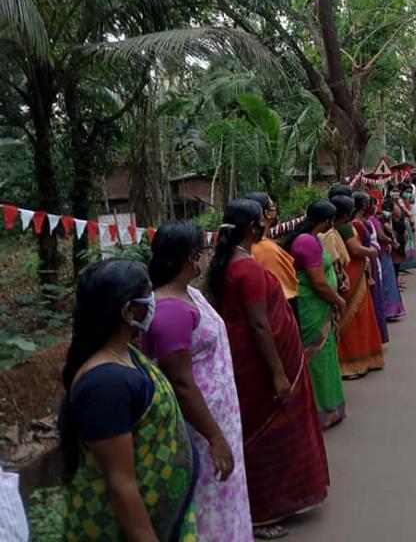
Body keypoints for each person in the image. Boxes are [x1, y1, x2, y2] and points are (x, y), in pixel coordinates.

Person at [208, 200, 329, 539]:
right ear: (251, 227)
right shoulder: (245, 269)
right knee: (266, 432)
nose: (266, 223)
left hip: (252, 359)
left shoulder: (232, 262)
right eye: (262, 220)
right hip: (259, 364)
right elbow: (259, 325)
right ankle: (262, 510)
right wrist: (278, 374)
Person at [59, 259, 199, 541]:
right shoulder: (105, 385)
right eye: (148, 295)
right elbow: (121, 485)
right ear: (128, 310)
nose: (154, 301)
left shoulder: (123, 355)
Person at [143, 221, 253, 541]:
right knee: (208, 498)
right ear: (191, 258)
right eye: (202, 252)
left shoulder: (189, 293)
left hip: (217, 419)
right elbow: (181, 382)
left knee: (225, 493)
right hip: (199, 428)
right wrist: (215, 438)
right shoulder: (170, 310)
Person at [287, 201, 348, 429]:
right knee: (317, 357)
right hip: (312, 305)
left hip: (319, 305)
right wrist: (339, 300)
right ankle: (319, 410)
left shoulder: (312, 239)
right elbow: (319, 283)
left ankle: (330, 406)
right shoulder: (307, 242)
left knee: (326, 354)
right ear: (326, 220)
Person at [331, 195, 385, 378]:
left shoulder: (336, 225)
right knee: (355, 318)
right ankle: (353, 363)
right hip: (351, 274)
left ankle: (361, 360)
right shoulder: (345, 226)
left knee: (360, 316)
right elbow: (354, 249)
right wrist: (372, 252)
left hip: (354, 272)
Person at [244, 192, 300, 321]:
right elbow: (281, 293)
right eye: (272, 207)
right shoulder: (265, 249)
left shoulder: (245, 245)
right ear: (267, 214)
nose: (275, 209)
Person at [354, 192, 388, 344]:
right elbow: (357, 249)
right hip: (365, 264)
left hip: (372, 261)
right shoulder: (357, 225)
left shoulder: (365, 222)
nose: (371, 207)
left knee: (375, 299)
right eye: (368, 204)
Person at [375, 198, 406, 320]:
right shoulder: (380, 219)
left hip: (385, 251)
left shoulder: (387, 219)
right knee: (386, 280)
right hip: (382, 253)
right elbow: (384, 233)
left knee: (390, 278)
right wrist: (392, 241)